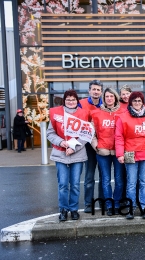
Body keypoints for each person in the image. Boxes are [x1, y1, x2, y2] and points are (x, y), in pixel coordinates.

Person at [115, 91, 145, 219]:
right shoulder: (123, 117)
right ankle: (131, 208)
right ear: (130, 102)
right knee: (131, 183)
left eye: (139, 100)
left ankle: (143, 208)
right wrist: (120, 154)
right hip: (130, 154)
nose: (137, 103)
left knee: (144, 182)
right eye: (134, 100)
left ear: (143, 102)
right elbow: (119, 137)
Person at [47, 90, 89, 221]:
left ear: (77, 101)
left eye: (73, 99)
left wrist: (73, 147)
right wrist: (61, 142)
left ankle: (74, 209)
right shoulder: (56, 113)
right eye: (68, 99)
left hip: (77, 153)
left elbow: (85, 135)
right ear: (64, 101)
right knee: (63, 184)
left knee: (75, 184)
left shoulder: (83, 114)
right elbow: (50, 133)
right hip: (60, 153)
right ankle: (63, 209)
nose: (71, 102)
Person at [91, 88, 124, 216]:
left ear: (115, 98)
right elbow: (91, 133)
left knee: (119, 180)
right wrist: (96, 146)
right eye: (107, 96)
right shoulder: (96, 113)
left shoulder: (123, 112)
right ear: (103, 98)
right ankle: (109, 205)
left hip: (118, 152)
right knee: (105, 180)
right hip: (102, 151)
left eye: (111, 96)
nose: (109, 98)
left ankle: (116, 204)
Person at [80, 79, 104, 213]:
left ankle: (102, 203)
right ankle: (88, 203)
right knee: (89, 176)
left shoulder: (105, 104)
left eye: (98, 89)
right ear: (89, 90)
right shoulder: (81, 104)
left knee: (103, 176)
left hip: (102, 144)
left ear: (101, 92)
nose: (96, 92)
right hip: (88, 145)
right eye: (93, 89)